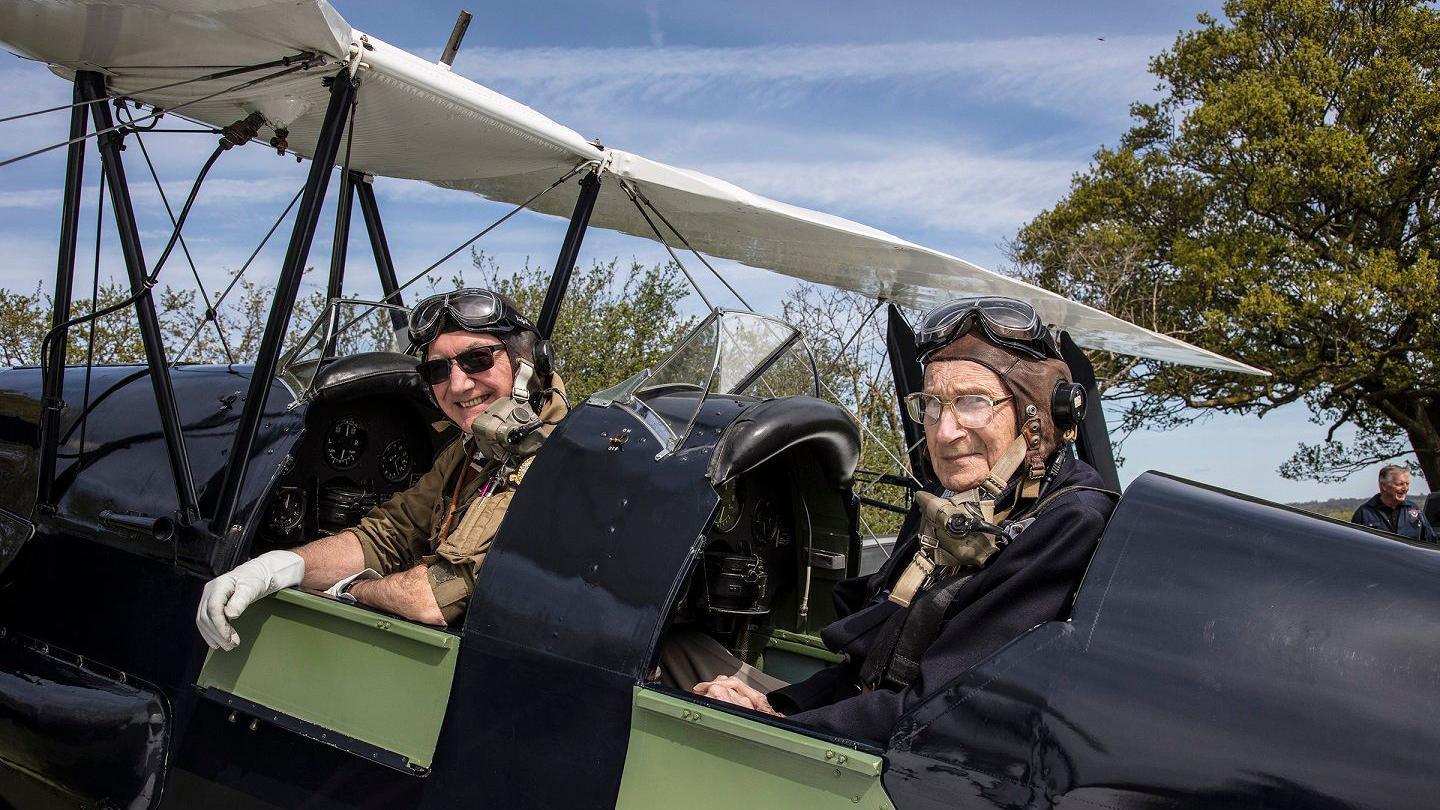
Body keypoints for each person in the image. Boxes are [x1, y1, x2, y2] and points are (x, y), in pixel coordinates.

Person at [690, 296, 1119, 745]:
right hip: (862, 723)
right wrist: (777, 706)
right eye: (931, 405)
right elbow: (866, 672)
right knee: (686, 658)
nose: (945, 431)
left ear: (1036, 417)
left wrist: (778, 726)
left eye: (973, 403)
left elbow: (936, 709)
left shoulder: (1070, 524)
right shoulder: (948, 507)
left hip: (913, 758)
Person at [196, 288, 567, 650]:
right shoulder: (472, 450)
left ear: (529, 363)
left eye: (477, 359)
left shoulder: (552, 460)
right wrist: (274, 567)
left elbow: (431, 598)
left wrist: (349, 590)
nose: (457, 385)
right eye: (437, 370)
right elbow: (388, 534)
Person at [1351, 465, 1436, 544]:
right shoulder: (1364, 513)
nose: (1405, 488)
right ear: (1383, 485)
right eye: (1400, 484)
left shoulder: (1414, 510)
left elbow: (1430, 541)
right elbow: (1355, 547)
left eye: (1407, 484)